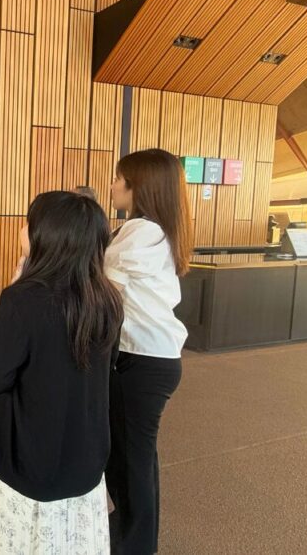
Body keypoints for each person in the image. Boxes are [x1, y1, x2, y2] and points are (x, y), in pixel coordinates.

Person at [0, 191, 123, 554]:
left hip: (25, 463)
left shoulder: (22, 300)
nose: (22, 230)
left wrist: (14, 284)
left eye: (28, 223)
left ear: (46, 235)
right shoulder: (108, 299)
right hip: (86, 461)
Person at [104, 149, 193, 554]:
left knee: (129, 459)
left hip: (139, 362)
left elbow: (105, 292)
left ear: (137, 186)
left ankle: (134, 544)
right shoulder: (160, 229)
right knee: (137, 456)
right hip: (155, 360)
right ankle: (135, 533)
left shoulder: (138, 231)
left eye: (118, 179)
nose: (112, 185)